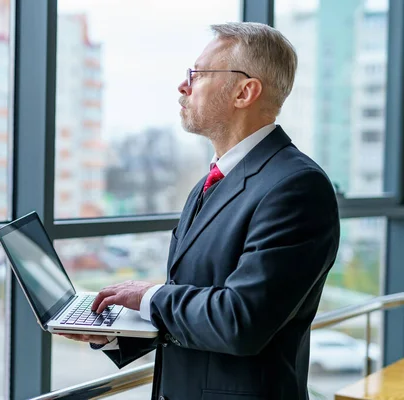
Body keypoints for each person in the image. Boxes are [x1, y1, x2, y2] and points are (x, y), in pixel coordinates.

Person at [59, 22, 340, 400]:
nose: (183, 86)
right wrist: (115, 335)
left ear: (245, 91)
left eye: (198, 74)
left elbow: (240, 321)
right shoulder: (214, 178)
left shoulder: (296, 187)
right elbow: (195, 306)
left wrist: (148, 296)